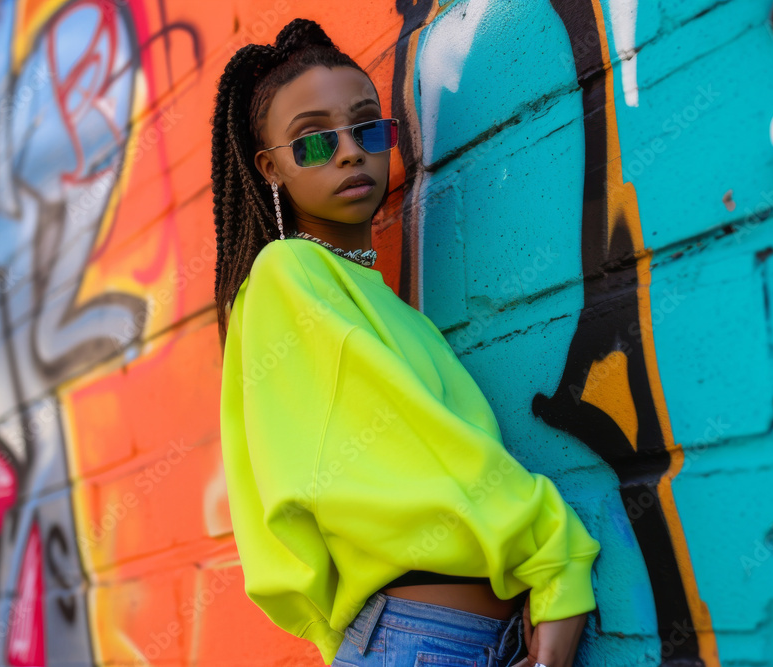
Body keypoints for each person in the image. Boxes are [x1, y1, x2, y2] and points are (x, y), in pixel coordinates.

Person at [213, 18, 602, 667]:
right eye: (312, 141)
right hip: (422, 640)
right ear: (270, 168)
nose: (347, 151)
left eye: (367, 128)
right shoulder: (289, 272)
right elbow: (415, 448)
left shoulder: (388, 308)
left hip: (441, 638)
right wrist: (553, 552)